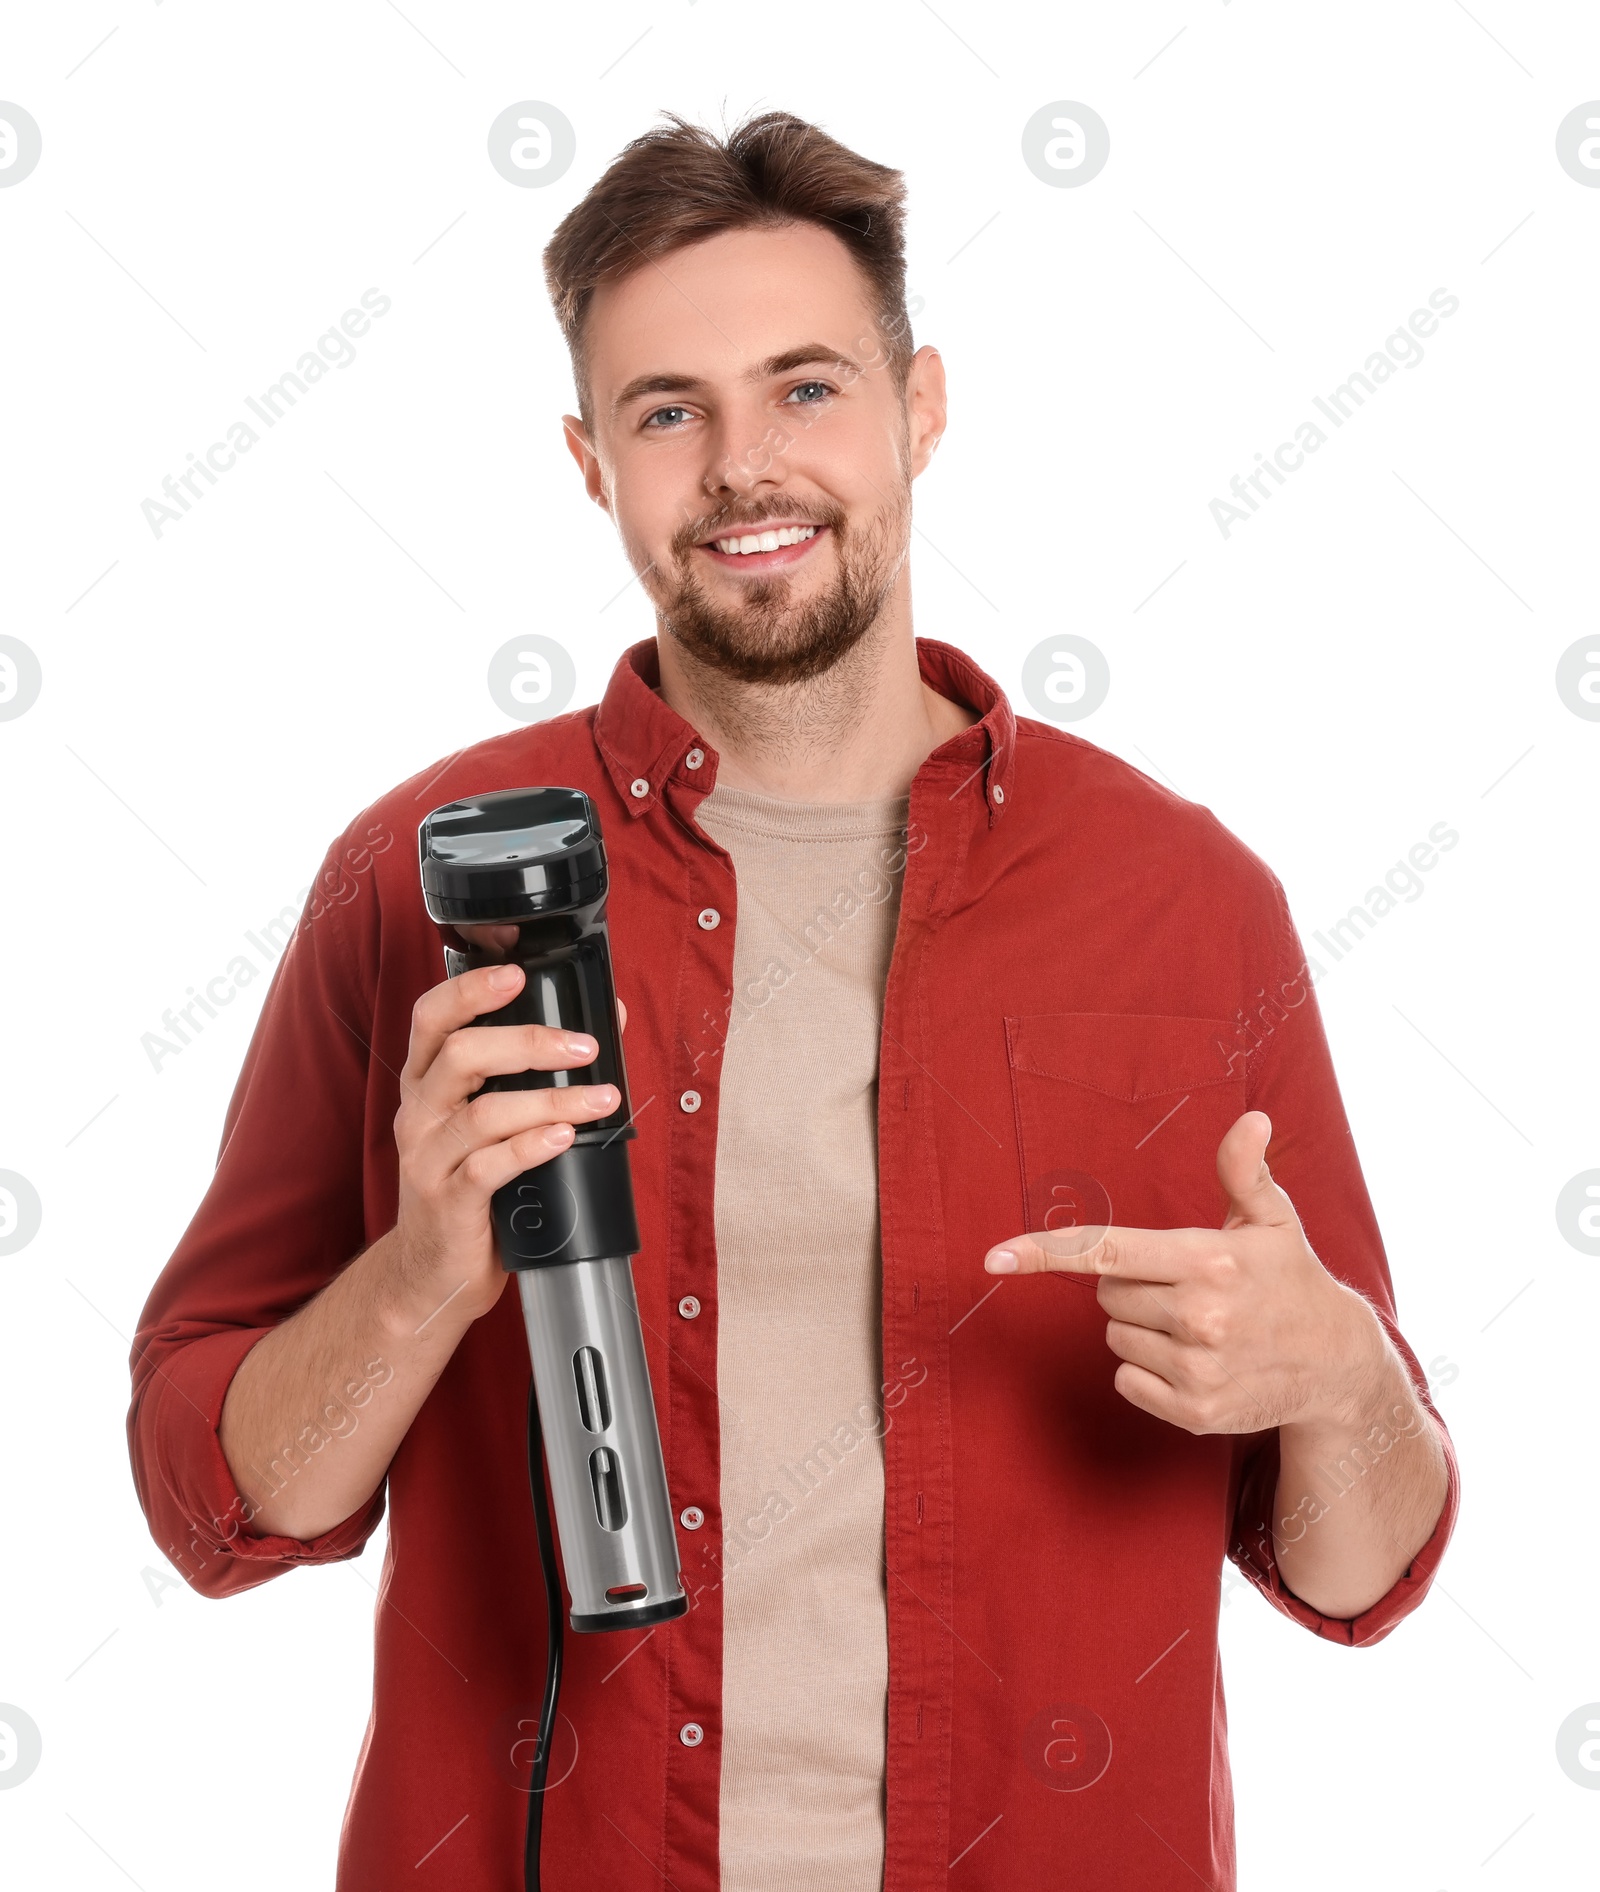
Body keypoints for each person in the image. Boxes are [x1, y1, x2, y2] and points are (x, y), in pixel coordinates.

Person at [127, 110, 1458, 1891]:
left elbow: (1359, 1567)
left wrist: (1339, 1374)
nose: (745, 467)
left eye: (807, 391)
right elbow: (215, 1502)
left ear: (918, 408)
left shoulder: (1189, 907)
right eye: (669, 410)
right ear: (592, 462)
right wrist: (422, 1275)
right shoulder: (416, 885)